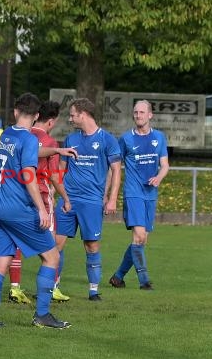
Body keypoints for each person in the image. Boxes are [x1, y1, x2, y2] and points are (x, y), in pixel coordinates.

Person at [0, 93, 72, 329]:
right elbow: (29, 177)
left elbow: (25, 152)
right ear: (38, 115)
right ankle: (42, 314)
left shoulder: (7, 135)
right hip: (18, 209)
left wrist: (55, 152)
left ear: (15, 112)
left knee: (1, 262)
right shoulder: (29, 139)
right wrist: (41, 209)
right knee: (52, 257)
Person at [54, 98, 122, 301]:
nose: (71, 118)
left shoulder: (107, 139)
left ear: (83, 114)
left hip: (92, 201)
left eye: (73, 114)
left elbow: (116, 170)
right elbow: (60, 169)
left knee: (91, 245)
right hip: (68, 199)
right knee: (56, 244)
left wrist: (112, 199)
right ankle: (53, 287)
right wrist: (55, 190)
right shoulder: (70, 139)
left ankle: (93, 290)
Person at [7, 100, 72, 305]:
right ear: (51, 122)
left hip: (16, 194)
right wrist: (66, 198)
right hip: (40, 194)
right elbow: (53, 176)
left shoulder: (18, 134)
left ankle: (15, 288)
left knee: (15, 241)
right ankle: (50, 290)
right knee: (51, 245)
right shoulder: (50, 142)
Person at [109, 100, 169, 290]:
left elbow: (165, 165)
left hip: (150, 194)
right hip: (133, 192)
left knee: (141, 240)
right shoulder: (126, 139)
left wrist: (159, 177)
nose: (138, 116)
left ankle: (118, 277)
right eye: (135, 112)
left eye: (142, 112)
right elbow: (114, 167)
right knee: (139, 235)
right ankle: (144, 282)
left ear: (150, 115)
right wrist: (109, 194)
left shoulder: (159, 137)